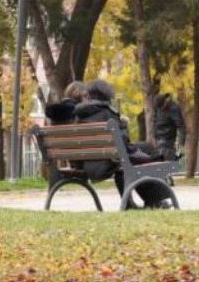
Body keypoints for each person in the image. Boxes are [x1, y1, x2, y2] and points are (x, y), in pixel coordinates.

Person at [73, 80, 171, 208]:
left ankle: (135, 203)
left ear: (90, 95)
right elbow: (123, 141)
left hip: (88, 164)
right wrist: (123, 127)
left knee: (143, 150)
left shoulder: (79, 115)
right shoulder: (107, 112)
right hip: (107, 162)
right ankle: (155, 200)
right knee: (143, 158)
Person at [153, 93, 186, 163]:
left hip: (168, 140)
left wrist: (181, 144)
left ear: (165, 101)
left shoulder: (173, 109)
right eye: (160, 108)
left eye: (162, 107)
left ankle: (176, 155)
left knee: (167, 163)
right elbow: (155, 121)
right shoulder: (158, 108)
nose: (161, 109)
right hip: (159, 140)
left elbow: (181, 127)